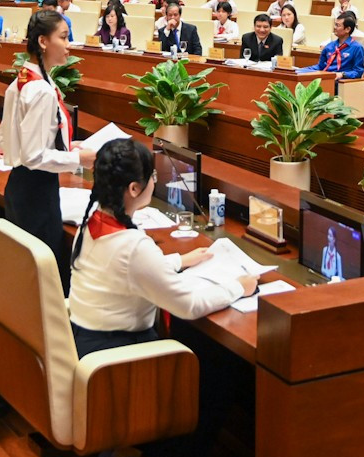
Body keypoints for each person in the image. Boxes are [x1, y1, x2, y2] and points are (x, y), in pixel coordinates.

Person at [67, 139, 256, 358]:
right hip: (117, 356)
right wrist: (238, 287)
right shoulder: (134, 247)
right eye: (153, 177)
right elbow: (189, 306)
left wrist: (179, 261)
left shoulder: (91, 224)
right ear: (134, 188)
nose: (154, 182)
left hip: (83, 342)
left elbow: (122, 270)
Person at [0, 10, 98, 291]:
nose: (69, 45)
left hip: (19, 186)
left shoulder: (21, 80)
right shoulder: (40, 89)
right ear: (43, 41)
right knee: (44, 280)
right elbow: (34, 156)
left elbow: (9, 139)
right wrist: (80, 158)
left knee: (25, 274)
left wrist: (66, 145)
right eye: (63, 38)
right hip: (37, 193)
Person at [316, 12, 364, 79]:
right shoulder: (330, 46)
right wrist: (301, 71)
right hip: (326, 78)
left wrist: (342, 74)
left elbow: (358, 71)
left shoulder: (357, 48)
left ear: (347, 29)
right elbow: (320, 67)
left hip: (342, 82)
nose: (334, 27)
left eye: (337, 25)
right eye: (335, 25)